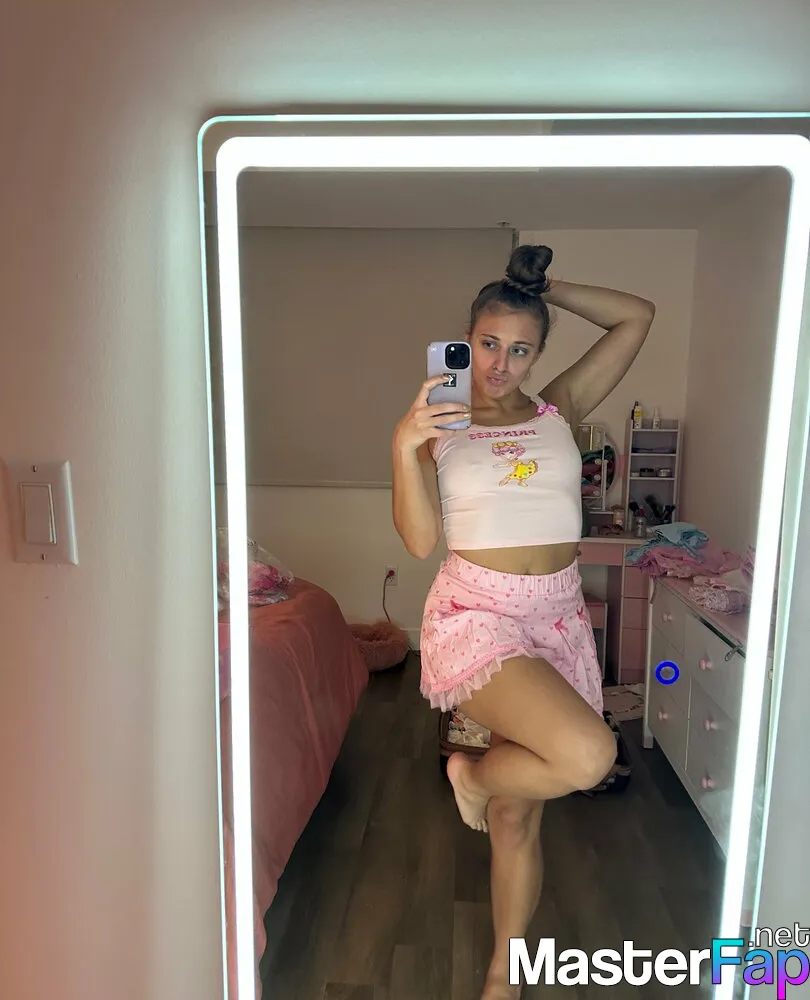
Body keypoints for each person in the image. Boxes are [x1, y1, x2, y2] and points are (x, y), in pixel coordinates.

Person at [391, 244, 655, 1000]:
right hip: (478, 612)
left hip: (557, 615)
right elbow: (419, 541)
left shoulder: (558, 410)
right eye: (487, 343)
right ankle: (469, 773)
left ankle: (502, 976)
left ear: (539, 354)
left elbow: (637, 317)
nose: (500, 364)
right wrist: (403, 446)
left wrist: (545, 287)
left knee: (517, 819)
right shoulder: (439, 422)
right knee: (589, 756)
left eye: (520, 349)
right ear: (465, 338)